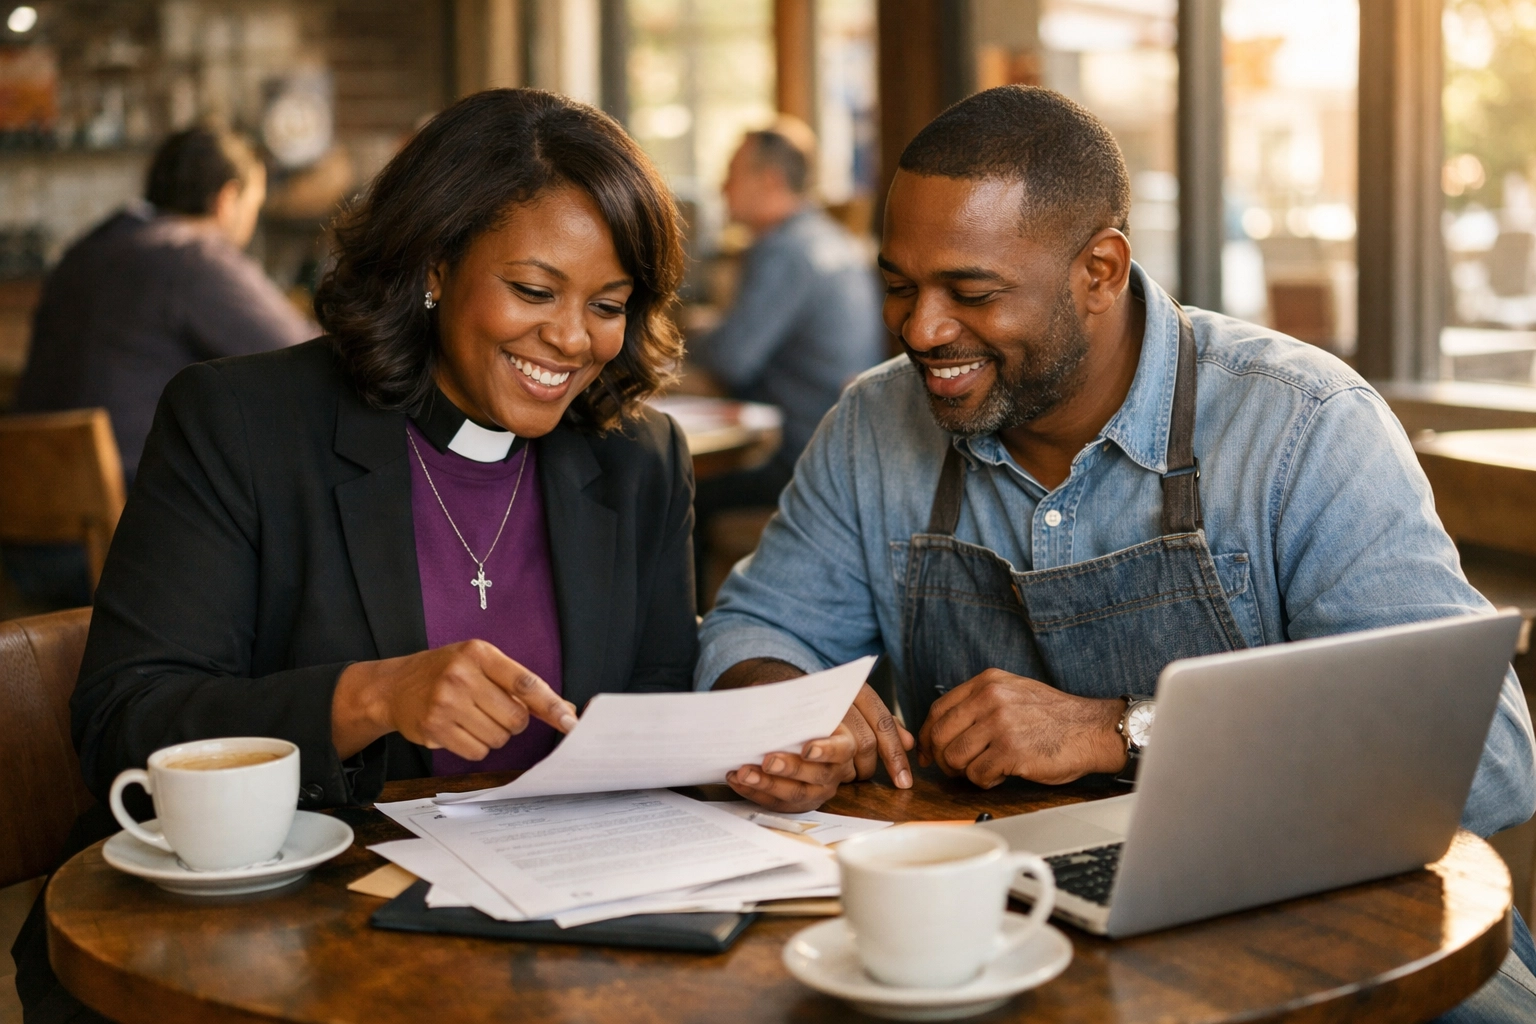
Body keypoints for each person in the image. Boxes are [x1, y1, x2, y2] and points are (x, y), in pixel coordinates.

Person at [14, 89, 856, 1023]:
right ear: (435, 263)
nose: (573, 340)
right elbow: (126, 725)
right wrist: (370, 697)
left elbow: (649, 708)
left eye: (608, 305)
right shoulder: (243, 424)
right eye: (534, 291)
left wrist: (745, 759)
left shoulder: (636, 457)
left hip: (564, 937)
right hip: (269, 943)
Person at [696, 86, 1536, 1019]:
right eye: (899, 286)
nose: (921, 330)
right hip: (1003, 923)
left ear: (1100, 270)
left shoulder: (1303, 425)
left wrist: (1115, 729)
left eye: (970, 293)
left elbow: (1488, 760)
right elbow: (752, 628)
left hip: (1316, 915)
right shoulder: (871, 424)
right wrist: (790, 703)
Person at [5, 127, 310, 611]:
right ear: (228, 199)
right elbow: (308, 355)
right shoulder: (192, 255)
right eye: (254, 200)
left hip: (23, 540)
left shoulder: (84, 251)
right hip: (127, 550)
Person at [688, 117, 885, 603]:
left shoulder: (782, 249)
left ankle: (678, 642)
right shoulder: (831, 239)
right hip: (848, 453)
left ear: (770, 181)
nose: (721, 186)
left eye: (732, 172)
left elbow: (733, 360)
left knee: (670, 493)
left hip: (800, 459)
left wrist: (692, 330)